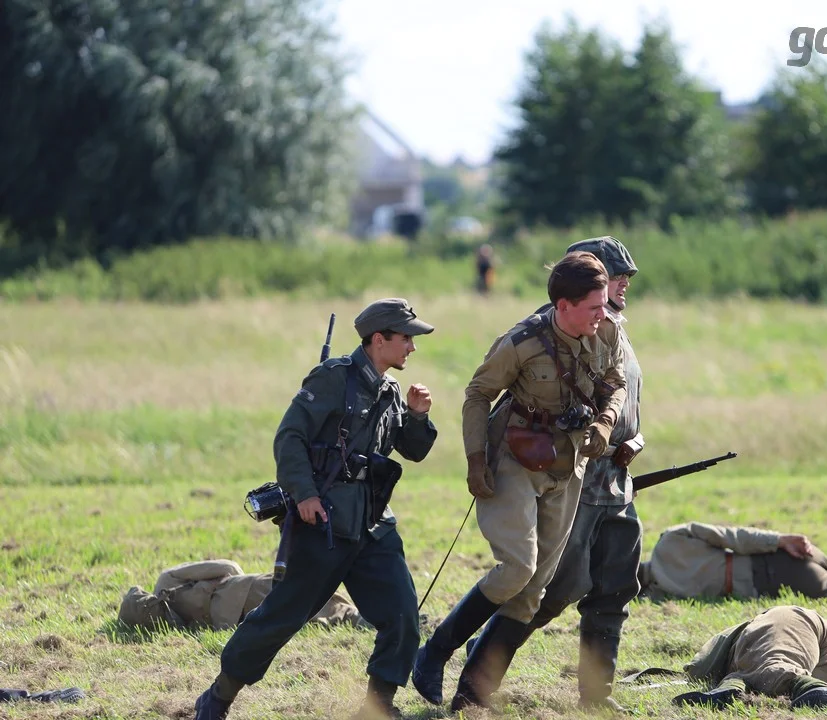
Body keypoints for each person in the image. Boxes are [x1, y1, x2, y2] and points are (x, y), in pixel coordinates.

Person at [194, 298, 439, 720]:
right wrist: (304, 495)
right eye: (406, 339)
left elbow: (412, 450)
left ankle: (378, 707)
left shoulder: (391, 389)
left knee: (403, 616)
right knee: (282, 618)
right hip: (322, 523)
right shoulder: (332, 380)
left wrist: (417, 416)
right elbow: (290, 437)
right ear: (379, 340)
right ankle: (219, 695)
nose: (412, 348)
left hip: (373, 526)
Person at [412, 251, 627, 711]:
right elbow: (478, 394)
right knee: (517, 568)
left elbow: (616, 378)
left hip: (568, 463)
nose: (602, 314)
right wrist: (475, 460)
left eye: (603, 305)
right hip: (513, 456)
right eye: (592, 307)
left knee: (532, 593)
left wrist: (606, 420)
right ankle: (435, 651)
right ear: (563, 305)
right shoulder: (522, 341)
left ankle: (470, 695)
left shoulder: (607, 329)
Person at [465, 236, 644, 712]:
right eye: (615, 273)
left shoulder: (613, 333)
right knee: (549, 591)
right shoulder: (553, 335)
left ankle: (596, 696)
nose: (624, 281)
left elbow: (624, 400)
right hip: (571, 472)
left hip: (616, 479)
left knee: (615, 586)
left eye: (626, 275)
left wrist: (626, 437)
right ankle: (479, 670)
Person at [666, 605, 827, 710]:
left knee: (772, 664)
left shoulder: (769, 625)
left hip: (801, 631)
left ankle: (733, 686)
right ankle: (733, 687)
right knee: (760, 671)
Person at [118, 559, 373, 632]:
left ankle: (356, 618)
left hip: (236, 607)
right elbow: (228, 568)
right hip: (241, 596)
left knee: (298, 604)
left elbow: (224, 568)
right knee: (303, 596)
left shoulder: (168, 609)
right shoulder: (167, 588)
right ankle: (361, 618)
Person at [638, 522, 827, 601]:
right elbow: (733, 535)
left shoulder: (670, 541)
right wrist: (779, 540)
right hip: (772, 569)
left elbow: (731, 536)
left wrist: (780, 540)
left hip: (774, 567)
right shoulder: (660, 590)